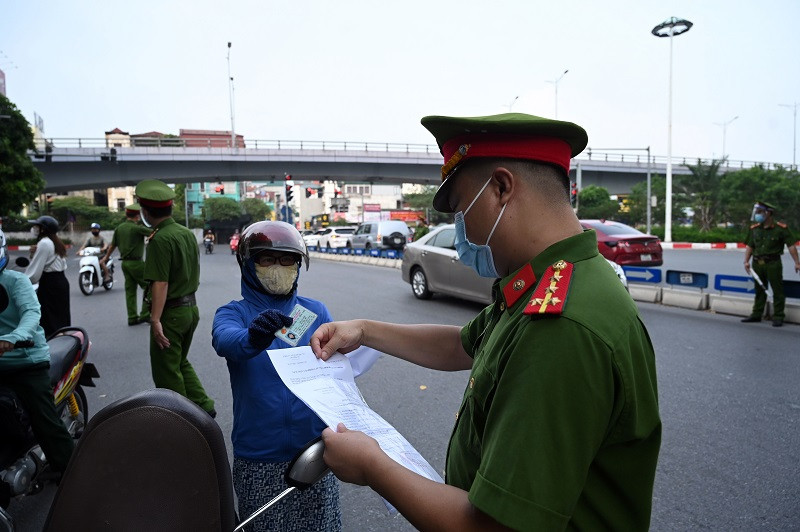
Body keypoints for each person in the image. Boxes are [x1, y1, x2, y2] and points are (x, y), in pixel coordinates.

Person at [311, 113, 662, 530]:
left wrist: (372, 466)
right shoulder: (545, 281)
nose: (459, 230)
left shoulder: (561, 325)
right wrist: (366, 331)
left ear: (501, 188)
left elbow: (491, 527)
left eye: (460, 209)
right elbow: (461, 345)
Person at [211, 220, 346, 531]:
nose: (278, 267)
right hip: (259, 457)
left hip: (314, 453)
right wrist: (252, 338)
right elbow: (225, 340)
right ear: (248, 264)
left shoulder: (316, 312)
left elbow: (337, 371)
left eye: (287, 260)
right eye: (267, 259)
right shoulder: (233, 313)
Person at [135, 179, 215, 417]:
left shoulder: (160, 239)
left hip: (170, 314)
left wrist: (155, 320)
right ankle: (204, 406)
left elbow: (161, 282)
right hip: (190, 309)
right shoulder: (185, 234)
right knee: (179, 362)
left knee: (166, 372)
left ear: (146, 212)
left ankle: (182, 421)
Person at [0, 229, 75, 476]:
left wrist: (14, 338)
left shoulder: (15, 281)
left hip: (25, 361)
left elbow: (31, 313)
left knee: (45, 421)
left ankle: (74, 477)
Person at [741, 201, 800, 327]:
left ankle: (778, 316)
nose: (757, 215)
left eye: (760, 212)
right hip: (757, 263)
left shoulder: (780, 229)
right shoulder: (755, 229)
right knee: (759, 290)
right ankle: (756, 314)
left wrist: (797, 262)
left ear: (768, 213)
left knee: (777, 290)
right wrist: (746, 261)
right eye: (756, 212)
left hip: (773, 263)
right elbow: (750, 246)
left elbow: (791, 246)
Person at [100, 203, 152, 325]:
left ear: (126, 214)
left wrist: (106, 258)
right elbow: (153, 233)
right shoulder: (137, 228)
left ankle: (132, 317)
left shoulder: (119, 228)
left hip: (125, 264)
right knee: (150, 287)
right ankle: (145, 314)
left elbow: (113, 245)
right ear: (137, 216)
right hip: (137, 263)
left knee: (130, 290)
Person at [25, 215, 71, 337]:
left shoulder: (44, 243)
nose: (34, 228)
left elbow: (34, 272)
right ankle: (64, 345)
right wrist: (34, 253)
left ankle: (53, 347)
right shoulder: (55, 241)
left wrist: (22, 281)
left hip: (50, 284)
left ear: (43, 229)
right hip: (61, 281)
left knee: (50, 319)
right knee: (60, 316)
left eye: (37, 226)